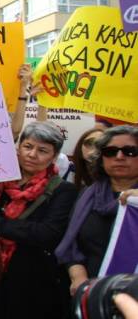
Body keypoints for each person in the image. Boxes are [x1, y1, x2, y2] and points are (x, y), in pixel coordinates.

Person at [0, 122, 79, 319]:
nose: (32, 154)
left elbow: (47, 234)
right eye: (28, 146)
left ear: (54, 157)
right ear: (18, 148)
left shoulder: (63, 191)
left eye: (42, 150)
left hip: (30, 282)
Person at [56, 125, 138, 295]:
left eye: (130, 151)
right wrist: (78, 277)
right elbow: (71, 243)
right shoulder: (88, 195)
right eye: (110, 151)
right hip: (91, 293)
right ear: (101, 158)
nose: (119, 156)